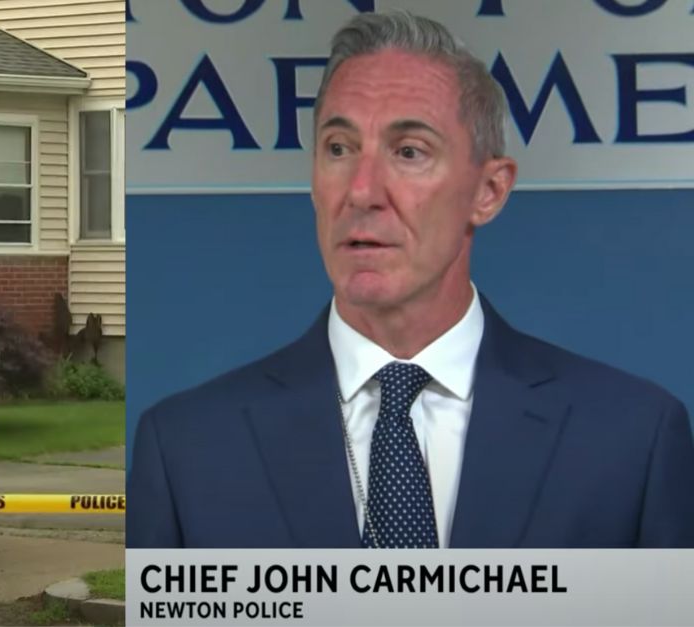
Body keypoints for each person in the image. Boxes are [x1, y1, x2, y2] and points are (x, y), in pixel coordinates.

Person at [126, 10, 694, 548]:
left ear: (488, 191)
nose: (362, 191)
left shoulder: (632, 438)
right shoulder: (186, 448)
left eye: (409, 151)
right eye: (339, 148)